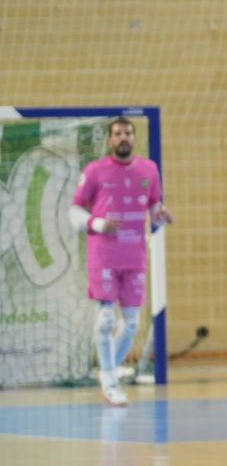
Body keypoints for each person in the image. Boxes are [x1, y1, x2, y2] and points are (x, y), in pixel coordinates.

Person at [68, 117, 173, 407]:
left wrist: (160, 213)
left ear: (134, 137)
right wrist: (99, 224)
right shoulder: (95, 171)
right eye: (117, 133)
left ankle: (107, 371)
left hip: (135, 256)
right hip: (104, 256)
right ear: (110, 139)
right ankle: (112, 382)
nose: (123, 137)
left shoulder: (149, 169)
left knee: (130, 325)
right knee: (104, 320)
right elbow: (74, 211)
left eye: (128, 132)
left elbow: (153, 203)